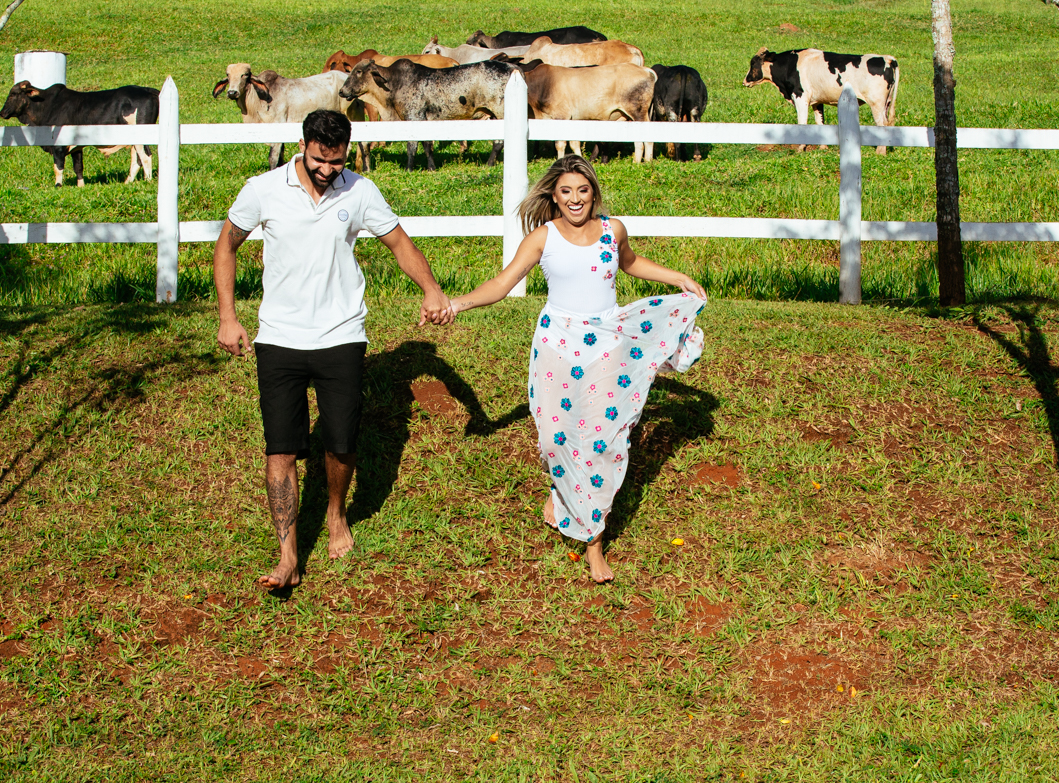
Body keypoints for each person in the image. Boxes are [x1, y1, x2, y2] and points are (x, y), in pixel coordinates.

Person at [213, 109, 454, 590]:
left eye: (337, 161)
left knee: (341, 443)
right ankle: (288, 555)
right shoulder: (262, 189)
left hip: (342, 335)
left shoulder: (359, 191)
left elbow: (399, 243)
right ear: (302, 145)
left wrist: (431, 289)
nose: (327, 170)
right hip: (278, 336)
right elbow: (226, 247)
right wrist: (227, 316)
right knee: (281, 448)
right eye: (320, 159)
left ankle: (335, 511)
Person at [450, 155, 706, 583]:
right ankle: (560, 489)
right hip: (556, 345)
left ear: (593, 193)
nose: (575, 199)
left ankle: (594, 542)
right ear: (554, 195)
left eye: (582, 191)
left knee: (601, 442)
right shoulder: (543, 237)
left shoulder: (612, 230)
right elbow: (502, 283)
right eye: (566, 191)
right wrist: (456, 304)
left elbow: (631, 262)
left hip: (606, 344)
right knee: (554, 439)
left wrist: (676, 278)